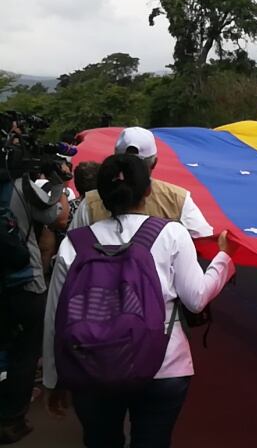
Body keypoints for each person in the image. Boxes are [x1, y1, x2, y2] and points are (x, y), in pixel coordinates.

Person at [42, 154, 235, 447]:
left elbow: (56, 314)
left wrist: (54, 380)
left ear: (100, 194)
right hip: (164, 366)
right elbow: (196, 299)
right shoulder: (171, 234)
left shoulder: (75, 242)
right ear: (148, 190)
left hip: (90, 367)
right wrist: (223, 259)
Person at [0, 172, 68, 443]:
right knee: (24, 354)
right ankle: (11, 419)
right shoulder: (21, 188)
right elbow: (59, 218)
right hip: (24, 285)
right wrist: (58, 182)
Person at [72, 127, 213, 239]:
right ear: (154, 163)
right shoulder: (178, 199)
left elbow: (71, 250)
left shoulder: (90, 203)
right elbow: (203, 240)